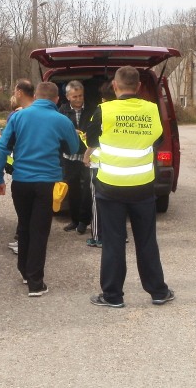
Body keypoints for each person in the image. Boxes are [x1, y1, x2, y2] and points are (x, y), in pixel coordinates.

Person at [83, 66, 174, 308]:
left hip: (110, 186)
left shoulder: (104, 110)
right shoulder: (152, 110)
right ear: (140, 86)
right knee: (146, 240)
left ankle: (113, 296)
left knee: (113, 240)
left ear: (115, 86)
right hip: (143, 186)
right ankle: (158, 292)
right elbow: (159, 140)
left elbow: (90, 140)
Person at [0, 82, 79, 297]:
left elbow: (2, 146)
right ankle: (35, 282)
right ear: (57, 99)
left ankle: (24, 271)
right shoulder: (62, 120)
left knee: (24, 226)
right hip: (46, 182)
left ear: (37, 96)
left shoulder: (18, 117)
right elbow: (75, 147)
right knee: (39, 230)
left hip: (21, 181)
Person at [59, 80, 94, 235]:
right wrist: (70, 131)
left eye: (80, 96)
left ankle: (84, 221)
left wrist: (89, 134)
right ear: (68, 97)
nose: (79, 99)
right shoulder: (62, 111)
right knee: (72, 189)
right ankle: (74, 220)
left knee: (87, 189)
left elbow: (99, 127)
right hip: (70, 156)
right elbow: (58, 131)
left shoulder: (93, 109)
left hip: (88, 156)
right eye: (75, 96)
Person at [5, 79, 35, 255]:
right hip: (43, 175)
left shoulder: (16, 117)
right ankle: (27, 244)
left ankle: (22, 243)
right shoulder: (43, 114)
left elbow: (5, 146)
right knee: (32, 214)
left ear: (19, 92)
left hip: (22, 172)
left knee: (25, 213)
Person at [86, 80, 117, 248]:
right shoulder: (125, 111)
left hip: (100, 164)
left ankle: (98, 237)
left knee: (97, 201)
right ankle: (120, 235)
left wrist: (86, 156)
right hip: (121, 166)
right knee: (118, 202)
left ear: (103, 97)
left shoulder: (102, 110)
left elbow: (91, 136)